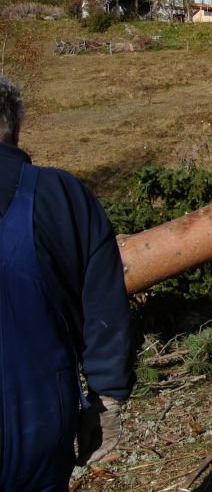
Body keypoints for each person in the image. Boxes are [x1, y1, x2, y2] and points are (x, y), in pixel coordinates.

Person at [0, 75, 134, 490]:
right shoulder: (61, 195)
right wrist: (107, 397)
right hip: (37, 421)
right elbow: (105, 305)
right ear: (15, 127)